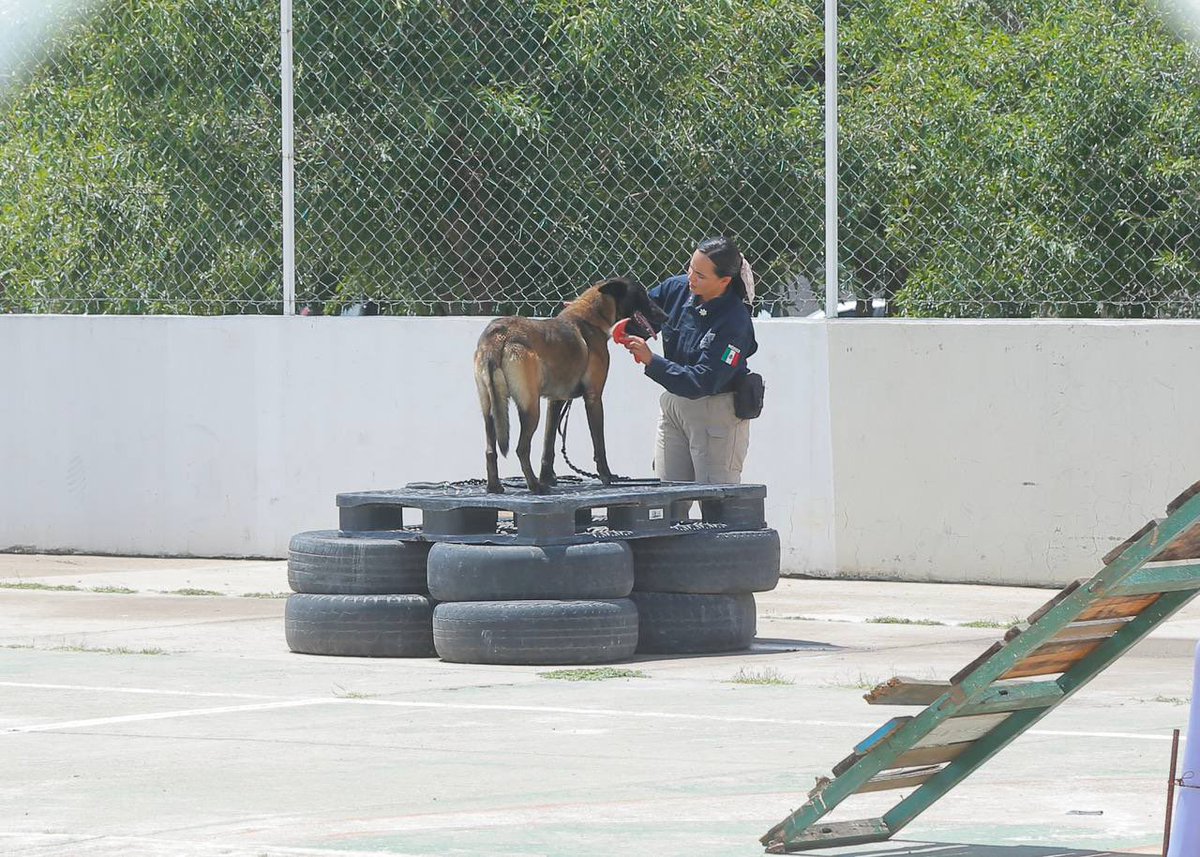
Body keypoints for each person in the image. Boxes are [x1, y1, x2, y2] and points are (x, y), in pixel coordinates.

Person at [621, 236, 758, 484]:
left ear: (725, 281)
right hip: (674, 407)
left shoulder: (734, 322)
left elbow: (703, 381)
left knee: (718, 504)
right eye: (691, 269)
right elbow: (640, 319)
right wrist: (597, 313)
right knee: (667, 502)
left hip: (715, 412)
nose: (691, 279)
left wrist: (652, 360)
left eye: (701, 276)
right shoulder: (677, 290)